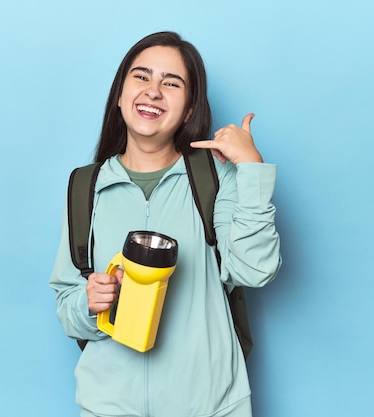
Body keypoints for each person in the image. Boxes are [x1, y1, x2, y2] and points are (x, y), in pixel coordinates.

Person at [49, 31, 282, 417]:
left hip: (210, 407)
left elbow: (255, 271)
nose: (153, 91)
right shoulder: (84, 187)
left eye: (171, 83)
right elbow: (66, 305)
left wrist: (251, 170)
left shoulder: (214, 176)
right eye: (141, 77)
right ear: (120, 94)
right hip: (108, 407)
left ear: (189, 109)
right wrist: (90, 304)